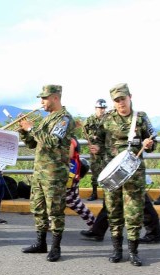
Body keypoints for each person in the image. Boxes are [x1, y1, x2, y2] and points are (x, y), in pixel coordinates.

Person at [93, 83, 157, 266]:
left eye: (123, 98)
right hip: (112, 171)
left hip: (134, 173)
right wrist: (96, 147)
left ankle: (133, 252)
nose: (120, 103)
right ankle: (117, 250)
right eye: (117, 100)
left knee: (134, 212)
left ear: (130, 97)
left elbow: (153, 140)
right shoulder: (106, 119)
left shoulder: (141, 118)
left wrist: (149, 144)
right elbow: (98, 140)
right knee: (113, 210)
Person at [19, 85, 75, 262]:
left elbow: (52, 141)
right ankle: (40, 243)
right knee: (38, 208)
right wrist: (23, 131)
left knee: (55, 210)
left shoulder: (64, 119)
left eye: (44, 98)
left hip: (54, 174)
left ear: (55, 98)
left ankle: (56, 247)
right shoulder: (46, 119)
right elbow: (33, 144)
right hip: (40, 172)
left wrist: (31, 129)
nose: (41, 102)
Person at [80, 193, 160, 243]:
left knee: (140, 200)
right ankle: (97, 231)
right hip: (117, 170)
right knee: (110, 202)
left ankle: (154, 233)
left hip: (128, 169)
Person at [65, 136, 96, 228]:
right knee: (68, 199)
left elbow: (69, 155)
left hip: (71, 173)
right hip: (73, 172)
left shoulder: (70, 140)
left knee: (71, 201)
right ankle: (93, 223)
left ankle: (93, 223)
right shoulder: (71, 138)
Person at [84, 98, 108, 201]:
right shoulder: (90, 119)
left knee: (107, 171)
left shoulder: (108, 119)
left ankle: (107, 194)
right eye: (100, 108)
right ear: (95, 108)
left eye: (103, 108)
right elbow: (84, 130)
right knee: (94, 172)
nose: (102, 110)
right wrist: (90, 137)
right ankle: (94, 193)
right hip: (94, 150)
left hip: (105, 149)